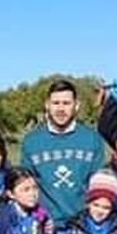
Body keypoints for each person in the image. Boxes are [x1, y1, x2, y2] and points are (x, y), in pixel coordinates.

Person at [21, 79, 107, 225]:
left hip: (82, 226)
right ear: (47, 105)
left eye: (66, 103)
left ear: (76, 106)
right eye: (56, 103)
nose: (61, 109)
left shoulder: (92, 139)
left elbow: (98, 186)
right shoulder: (31, 141)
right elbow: (25, 185)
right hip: (45, 226)